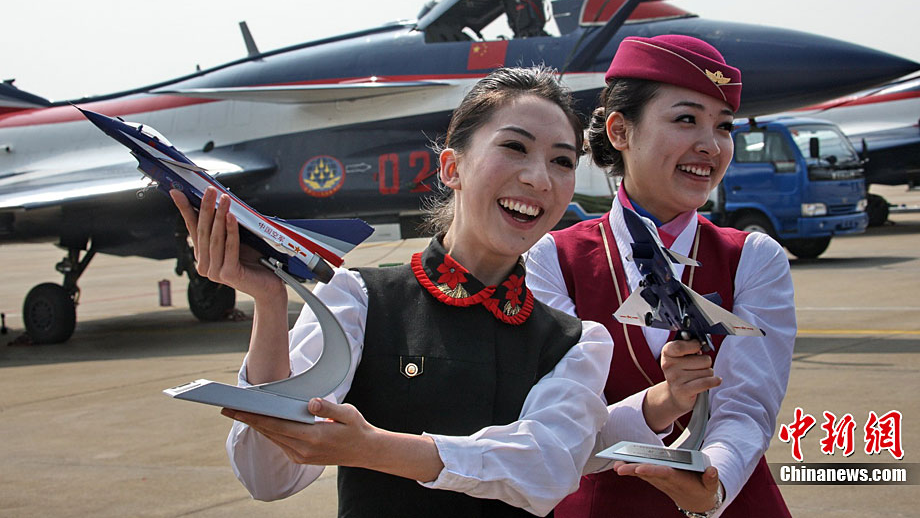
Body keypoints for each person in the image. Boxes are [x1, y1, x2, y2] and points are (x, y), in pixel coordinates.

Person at [171, 66, 664, 517]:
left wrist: (375, 448)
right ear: (451, 167)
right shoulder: (359, 299)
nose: (539, 178)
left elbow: (546, 467)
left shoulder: (576, 342)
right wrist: (269, 302)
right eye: (515, 147)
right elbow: (269, 476)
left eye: (562, 161)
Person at [526, 35, 796, 518]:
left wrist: (711, 483)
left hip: (730, 499)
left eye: (724, 126)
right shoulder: (554, 259)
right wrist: (662, 403)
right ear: (620, 131)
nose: (710, 145)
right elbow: (560, 423)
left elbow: (746, 406)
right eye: (686, 119)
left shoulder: (754, 257)